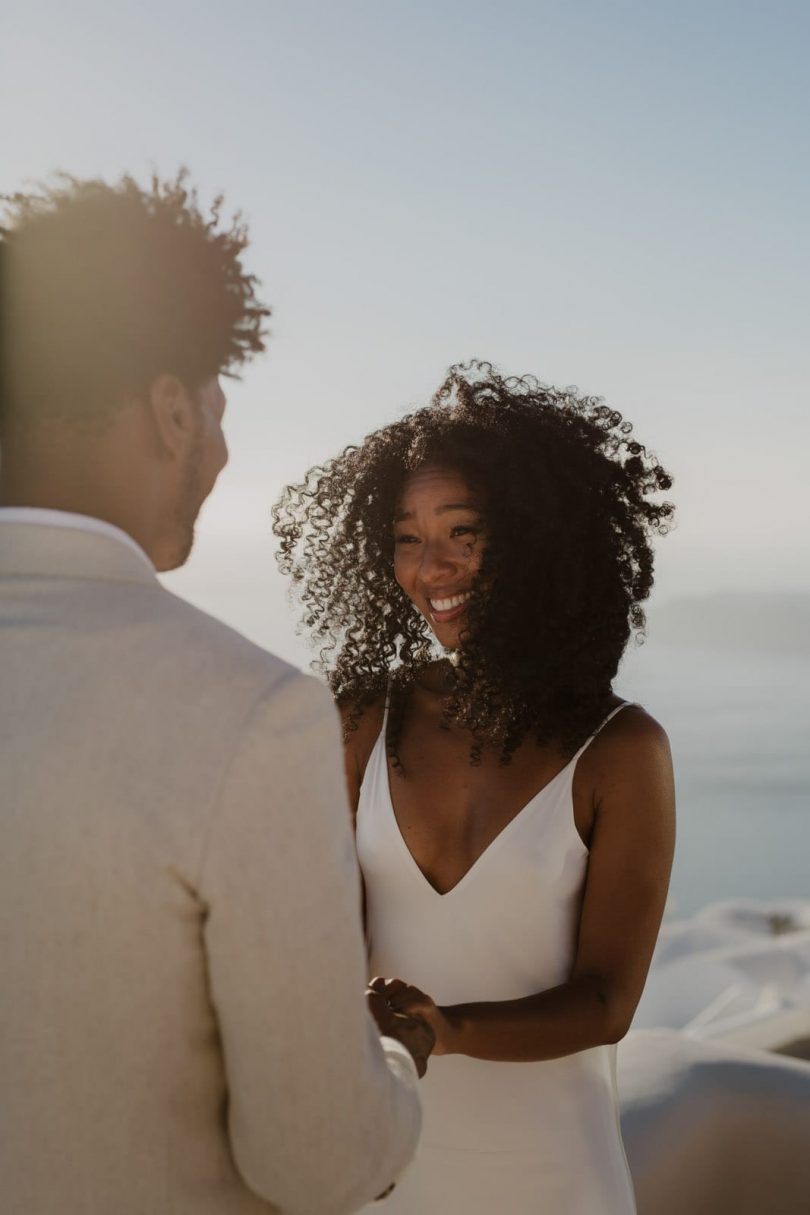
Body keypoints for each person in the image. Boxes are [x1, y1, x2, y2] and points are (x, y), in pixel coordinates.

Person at [0, 172, 432, 1215]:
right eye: (217, 405)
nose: (224, 447)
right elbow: (322, 1162)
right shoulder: (252, 716)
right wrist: (402, 1061)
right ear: (169, 412)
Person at [273, 361, 677, 1213]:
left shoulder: (620, 749)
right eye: (407, 537)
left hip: (556, 1175)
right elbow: (326, 944)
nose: (433, 566)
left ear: (534, 539)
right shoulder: (359, 720)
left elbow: (606, 1000)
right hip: (384, 1165)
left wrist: (445, 1030)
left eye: (465, 531)